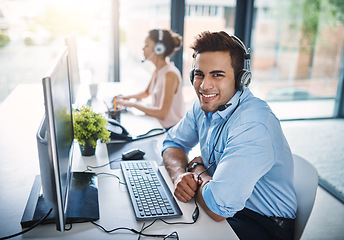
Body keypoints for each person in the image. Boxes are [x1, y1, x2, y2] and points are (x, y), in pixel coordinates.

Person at [162, 31, 297, 240]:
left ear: (241, 79)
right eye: (199, 74)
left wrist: (198, 170)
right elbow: (172, 142)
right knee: (164, 227)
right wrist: (179, 174)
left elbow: (217, 207)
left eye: (217, 74)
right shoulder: (204, 105)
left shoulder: (252, 125)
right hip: (224, 204)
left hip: (262, 223)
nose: (204, 85)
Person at [114, 29, 186, 130]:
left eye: (147, 45)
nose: (143, 48)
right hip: (159, 125)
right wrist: (125, 98)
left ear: (159, 49)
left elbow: (163, 113)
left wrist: (133, 104)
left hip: (171, 131)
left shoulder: (170, 74)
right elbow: (146, 92)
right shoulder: (158, 70)